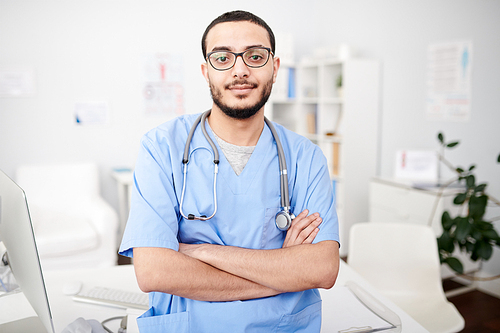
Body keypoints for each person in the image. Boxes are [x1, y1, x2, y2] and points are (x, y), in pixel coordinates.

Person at [119, 10, 340, 332]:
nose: (240, 70)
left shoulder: (306, 157)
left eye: (255, 56)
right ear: (206, 71)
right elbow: (154, 272)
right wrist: (283, 273)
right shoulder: (162, 147)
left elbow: (321, 269)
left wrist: (200, 251)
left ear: (274, 68)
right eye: (223, 58)